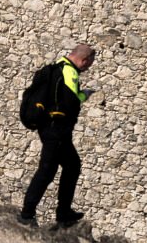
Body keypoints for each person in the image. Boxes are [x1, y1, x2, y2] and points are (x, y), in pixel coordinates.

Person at [19, 42, 96, 227]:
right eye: (88, 64)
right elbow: (71, 101)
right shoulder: (69, 72)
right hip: (57, 130)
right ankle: (28, 214)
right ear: (84, 60)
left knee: (71, 165)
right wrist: (84, 95)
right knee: (47, 170)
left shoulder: (56, 67)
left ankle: (62, 212)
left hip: (49, 128)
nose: (87, 68)